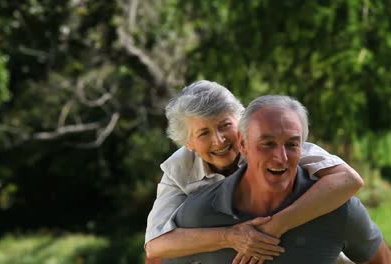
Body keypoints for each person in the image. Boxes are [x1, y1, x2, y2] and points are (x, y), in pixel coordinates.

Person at [145, 81, 364, 263]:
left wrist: (274, 227)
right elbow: (156, 245)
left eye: (224, 125)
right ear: (188, 143)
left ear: (240, 123)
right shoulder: (178, 170)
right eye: (204, 133)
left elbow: (348, 180)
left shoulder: (270, 143)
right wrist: (231, 237)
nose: (219, 140)